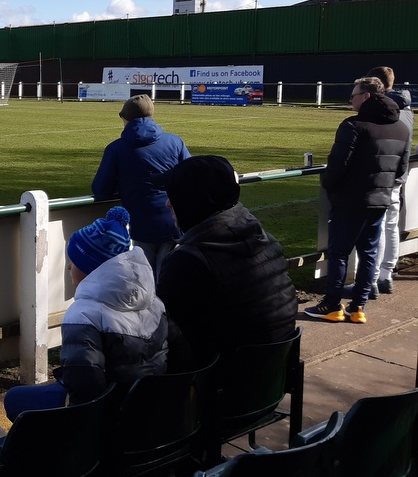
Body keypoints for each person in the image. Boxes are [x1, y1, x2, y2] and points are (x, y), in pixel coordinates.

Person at [3, 206, 169, 420]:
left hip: (112, 416)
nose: (68, 267)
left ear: (91, 268)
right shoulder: (155, 303)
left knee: (14, 399)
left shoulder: (83, 316)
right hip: (152, 404)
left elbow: (85, 387)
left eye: (74, 261)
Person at [154, 155, 297, 366]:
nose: (167, 203)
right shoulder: (264, 239)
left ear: (192, 201)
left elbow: (161, 329)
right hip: (275, 368)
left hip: (227, 375)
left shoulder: (189, 261)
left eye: (174, 196)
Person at [305, 77, 410, 324]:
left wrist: (329, 187)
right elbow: (401, 169)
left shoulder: (353, 125)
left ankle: (332, 305)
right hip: (380, 200)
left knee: (339, 253)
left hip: (349, 202)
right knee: (369, 254)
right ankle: (358, 308)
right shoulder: (402, 129)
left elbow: (337, 165)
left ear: (366, 96)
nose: (350, 100)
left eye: (353, 95)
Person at [92, 94, 190, 280]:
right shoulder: (175, 142)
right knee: (168, 278)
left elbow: (101, 189)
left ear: (125, 118)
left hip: (142, 225)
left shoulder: (116, 148)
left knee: (146, 281)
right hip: (174, 223)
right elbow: (190, 176)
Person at [367, 66, 413, 296]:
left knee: (379, 226)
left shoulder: (384, 108)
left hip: (383, 174)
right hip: (398, 173)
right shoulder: (408, 110)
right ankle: (385, 275)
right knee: (391, 225)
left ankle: (373, 278)